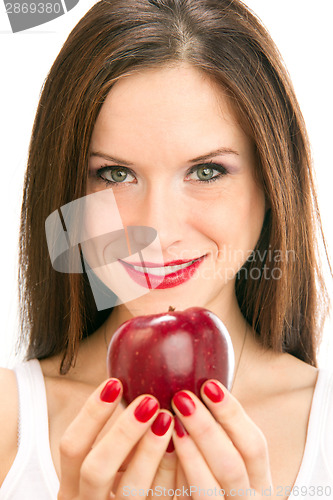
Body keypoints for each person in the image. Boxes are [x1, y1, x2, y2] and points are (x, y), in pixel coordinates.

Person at [0, 0, 332, 498]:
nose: (156, 229)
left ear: (272, 184)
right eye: (115, 174)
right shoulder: (10, 422)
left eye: (206, 172)